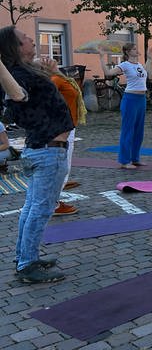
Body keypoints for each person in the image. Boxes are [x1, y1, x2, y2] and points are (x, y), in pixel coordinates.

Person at [0, 25, 73, 283]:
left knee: (32, 207)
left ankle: (25, 256)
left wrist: (50, 71)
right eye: (25, 38)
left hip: (42, 149)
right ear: (15, 48)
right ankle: (27, 264)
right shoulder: (17, 76)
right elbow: (18, 96)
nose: (31, 38)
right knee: (39, 209)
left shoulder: (25, 71)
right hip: (47, 151)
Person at [41, 57, 87, 216]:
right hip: (61, 126)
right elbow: (45, 102)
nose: (55, 62)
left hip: (68, 125)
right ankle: (53, 204)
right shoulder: (55, 80)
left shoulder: (61, 78)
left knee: (65, 163)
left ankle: (60, 188)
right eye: (50, 62)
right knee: (62, 164)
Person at [99, 43, 152, 169]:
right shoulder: (124, 65)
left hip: (141, 99)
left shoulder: (140, 65)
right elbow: (108, 72)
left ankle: (135, 158)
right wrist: (102, 57)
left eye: (136, 48)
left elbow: (148, 73)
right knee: (128, 130)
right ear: (128, 52)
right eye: (134, 49)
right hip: (130, 99)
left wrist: (150, 59)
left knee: (139, 131)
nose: (137, 50)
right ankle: (124, 161)